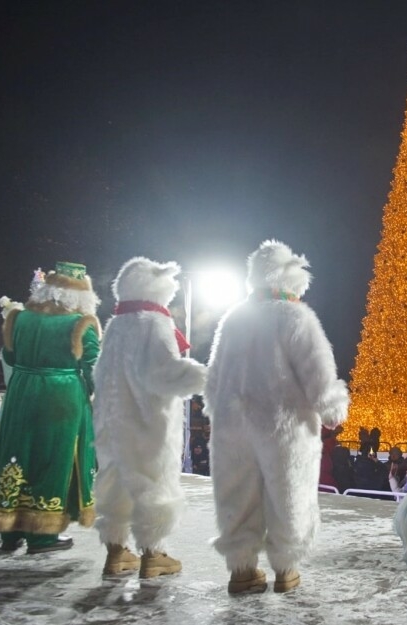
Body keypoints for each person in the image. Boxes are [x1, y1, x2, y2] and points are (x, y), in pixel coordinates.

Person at [205, 240, 349, 594]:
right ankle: (286, 570)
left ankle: (242, 569)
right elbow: (317, 371)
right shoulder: (296, 317)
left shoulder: (233, 318)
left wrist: (218, 411)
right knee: (289, 491)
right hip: (284, 424)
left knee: (237, 494)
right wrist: (332, 407)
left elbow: (213, 376)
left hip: (232, 425)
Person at [91, 256, 209, 578]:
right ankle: (153, 555)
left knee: (114, 478)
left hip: (112, 419)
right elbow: (164, 372)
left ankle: (116, 554)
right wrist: (204, 377)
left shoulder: (117, 323)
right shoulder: (154, 322)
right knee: (152, 481)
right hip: (148, 420)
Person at [0, 263, 101, 553]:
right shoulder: (81, 324)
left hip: (21, 393)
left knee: (16, 453)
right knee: (53, 458)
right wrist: (90, 395)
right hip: (61, 396)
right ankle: (42, 534)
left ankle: (9, 531)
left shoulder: (18, 318)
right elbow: (95, 368)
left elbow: (9, 356)